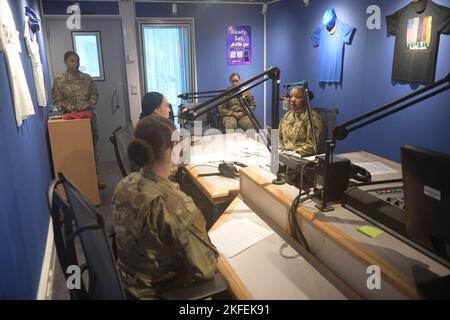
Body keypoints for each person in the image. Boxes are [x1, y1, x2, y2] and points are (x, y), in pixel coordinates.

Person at [112, 115, 218, 299]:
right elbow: (206, 269)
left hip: (127, 284)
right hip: (160, 293)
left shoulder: (124, 184)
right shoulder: (175, 206)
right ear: (173, 149)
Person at [51, 51, 104, 189]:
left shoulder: (86, 78)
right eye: (72, 61)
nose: (75, 64)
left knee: (92, 149)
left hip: (88, 119)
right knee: (73, 150)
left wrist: (87, 105)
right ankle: (76, 180)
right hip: (71, 122)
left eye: (77, 61)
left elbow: (95, 95)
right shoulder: (59, 80)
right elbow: (57, 99)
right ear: (65, 62)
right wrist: (71, 108)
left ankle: (94, 178)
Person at [279, 87, 322, 157]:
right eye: (291, 96)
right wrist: (278, 149)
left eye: (298, 97)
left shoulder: (312, 118)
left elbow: (311, 146)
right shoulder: (287, 115)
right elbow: (279, 136)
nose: (292, 100)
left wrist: (294, 153)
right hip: (284, 155)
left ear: (305, 100)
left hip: (299, 157)